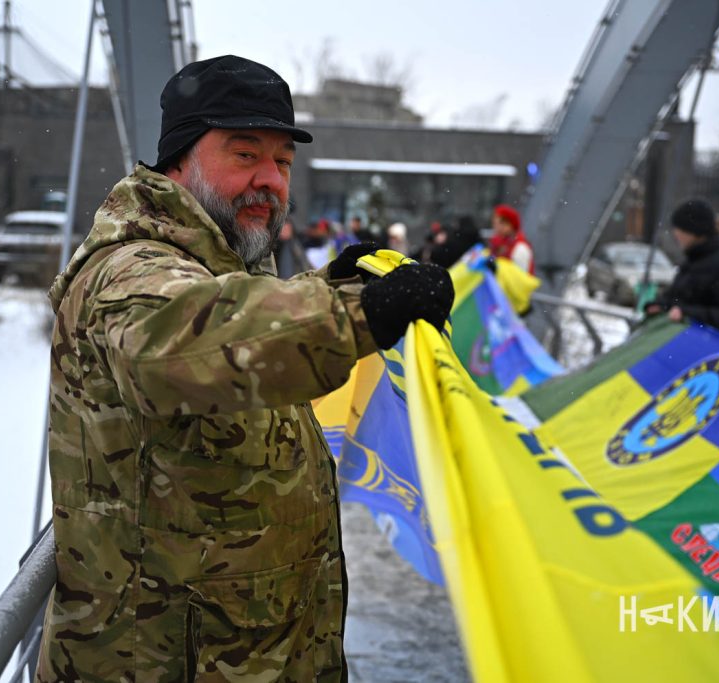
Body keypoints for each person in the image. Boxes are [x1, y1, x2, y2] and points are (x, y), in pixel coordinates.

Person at [35, 55, 454, 682]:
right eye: (244, 154)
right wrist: (361, 311)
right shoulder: (125, 269)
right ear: (179, 160)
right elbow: (181, 339)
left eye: (282, 162)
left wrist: (332, 282)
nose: (270, 180)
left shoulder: (223, 268)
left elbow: (233, 315)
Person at [645, 198, 719, 333]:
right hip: (682, 340)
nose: (676, 234)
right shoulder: (692, 261)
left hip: (705, 348)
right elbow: (678, 298)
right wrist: (661, 306)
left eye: (680, 228)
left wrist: (686, 313)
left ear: (695, 231)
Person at [488, 203, 534, 274]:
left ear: (510, 225)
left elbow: (520, 278)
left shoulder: (520, 248)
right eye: (494, 223)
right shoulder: (496, 243)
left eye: (500, 223)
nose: (496, 226)